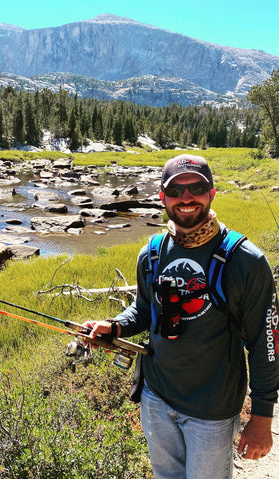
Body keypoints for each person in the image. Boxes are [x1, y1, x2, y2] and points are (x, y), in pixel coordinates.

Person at [84, 154, 279, 479]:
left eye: (196, 188)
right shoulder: (153, 252)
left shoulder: (246, 262)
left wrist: (262, 418)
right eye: (176, 189)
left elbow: (266, 345)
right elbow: (144, 310)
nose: (186, 198)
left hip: (212, 414)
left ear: (212, 193)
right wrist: (116, 325)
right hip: (156, 399)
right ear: (162, 197)